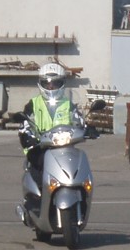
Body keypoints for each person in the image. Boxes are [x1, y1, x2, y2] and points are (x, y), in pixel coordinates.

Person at [18, 62, 85, 203]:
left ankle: (80, 194)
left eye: (55, 83)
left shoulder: (68, 104)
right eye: (47, 83)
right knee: (38, 168)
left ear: (62, 83)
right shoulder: (33, 104)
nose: (51, 87)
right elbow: (25, 122)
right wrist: (27, 135)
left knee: (79, 166)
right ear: (41, 84)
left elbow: (78, 119)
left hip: (65, 147)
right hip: (40, 147)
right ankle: (36, 200)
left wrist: (87, 127)